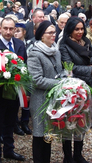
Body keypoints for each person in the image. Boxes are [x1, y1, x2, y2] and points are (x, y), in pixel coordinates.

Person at [59, 17, 92, 163]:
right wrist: (90, 70)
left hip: (88, 87)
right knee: (69, 123)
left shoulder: (86, 42)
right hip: (72, 89)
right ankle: (67, 156)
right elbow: (68, 67)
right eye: (76, 29)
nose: (80, 32)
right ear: (70, 29)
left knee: (82, 122)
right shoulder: (64, 45)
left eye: (82, 29)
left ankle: (78, 154)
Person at [0, 18, 26, 163]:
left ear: (15, 29)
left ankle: (9, 150)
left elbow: (24, 66)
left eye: (11, 29)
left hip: (14, 92)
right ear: (0, 29)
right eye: (6, 28)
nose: (8, 31)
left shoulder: (20, 44)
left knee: (10, 123)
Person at [27, 20, 62, 163]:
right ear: (42, 35)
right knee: (39, 134)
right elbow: (36, 80)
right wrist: (60, 83)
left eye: (54, 32)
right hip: (40, 99)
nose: (53, 35)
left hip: (53, 99)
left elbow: (58, 72)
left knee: (49, 134)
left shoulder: (55, 50)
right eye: (50, 32)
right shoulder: (35, 54)